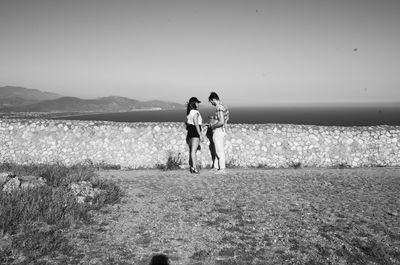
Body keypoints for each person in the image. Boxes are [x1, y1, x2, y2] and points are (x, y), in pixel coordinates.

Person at [207, 92, 229, 174]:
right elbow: (224, 118)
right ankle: (216, 167)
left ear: (213, 100)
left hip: (218, 131)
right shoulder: (224, 106)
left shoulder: (219, 108)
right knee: (217, 150)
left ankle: (222, 169)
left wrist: (213, 126)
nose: (211, 103)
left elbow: (221, 121)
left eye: (211, 102)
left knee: (219, 150)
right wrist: (213, 118)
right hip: (223, 130)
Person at [186, 97, 203, 174]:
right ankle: (194, 168)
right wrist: (201, 135)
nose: (198, 104)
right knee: (193, 151)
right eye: (197, 102)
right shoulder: (195, 112)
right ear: (195, 103)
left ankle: (194, 167)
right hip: (195, 132)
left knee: (192, 151)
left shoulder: (189, 112)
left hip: (190, 132)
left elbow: (189, 123)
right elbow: (196, 124)